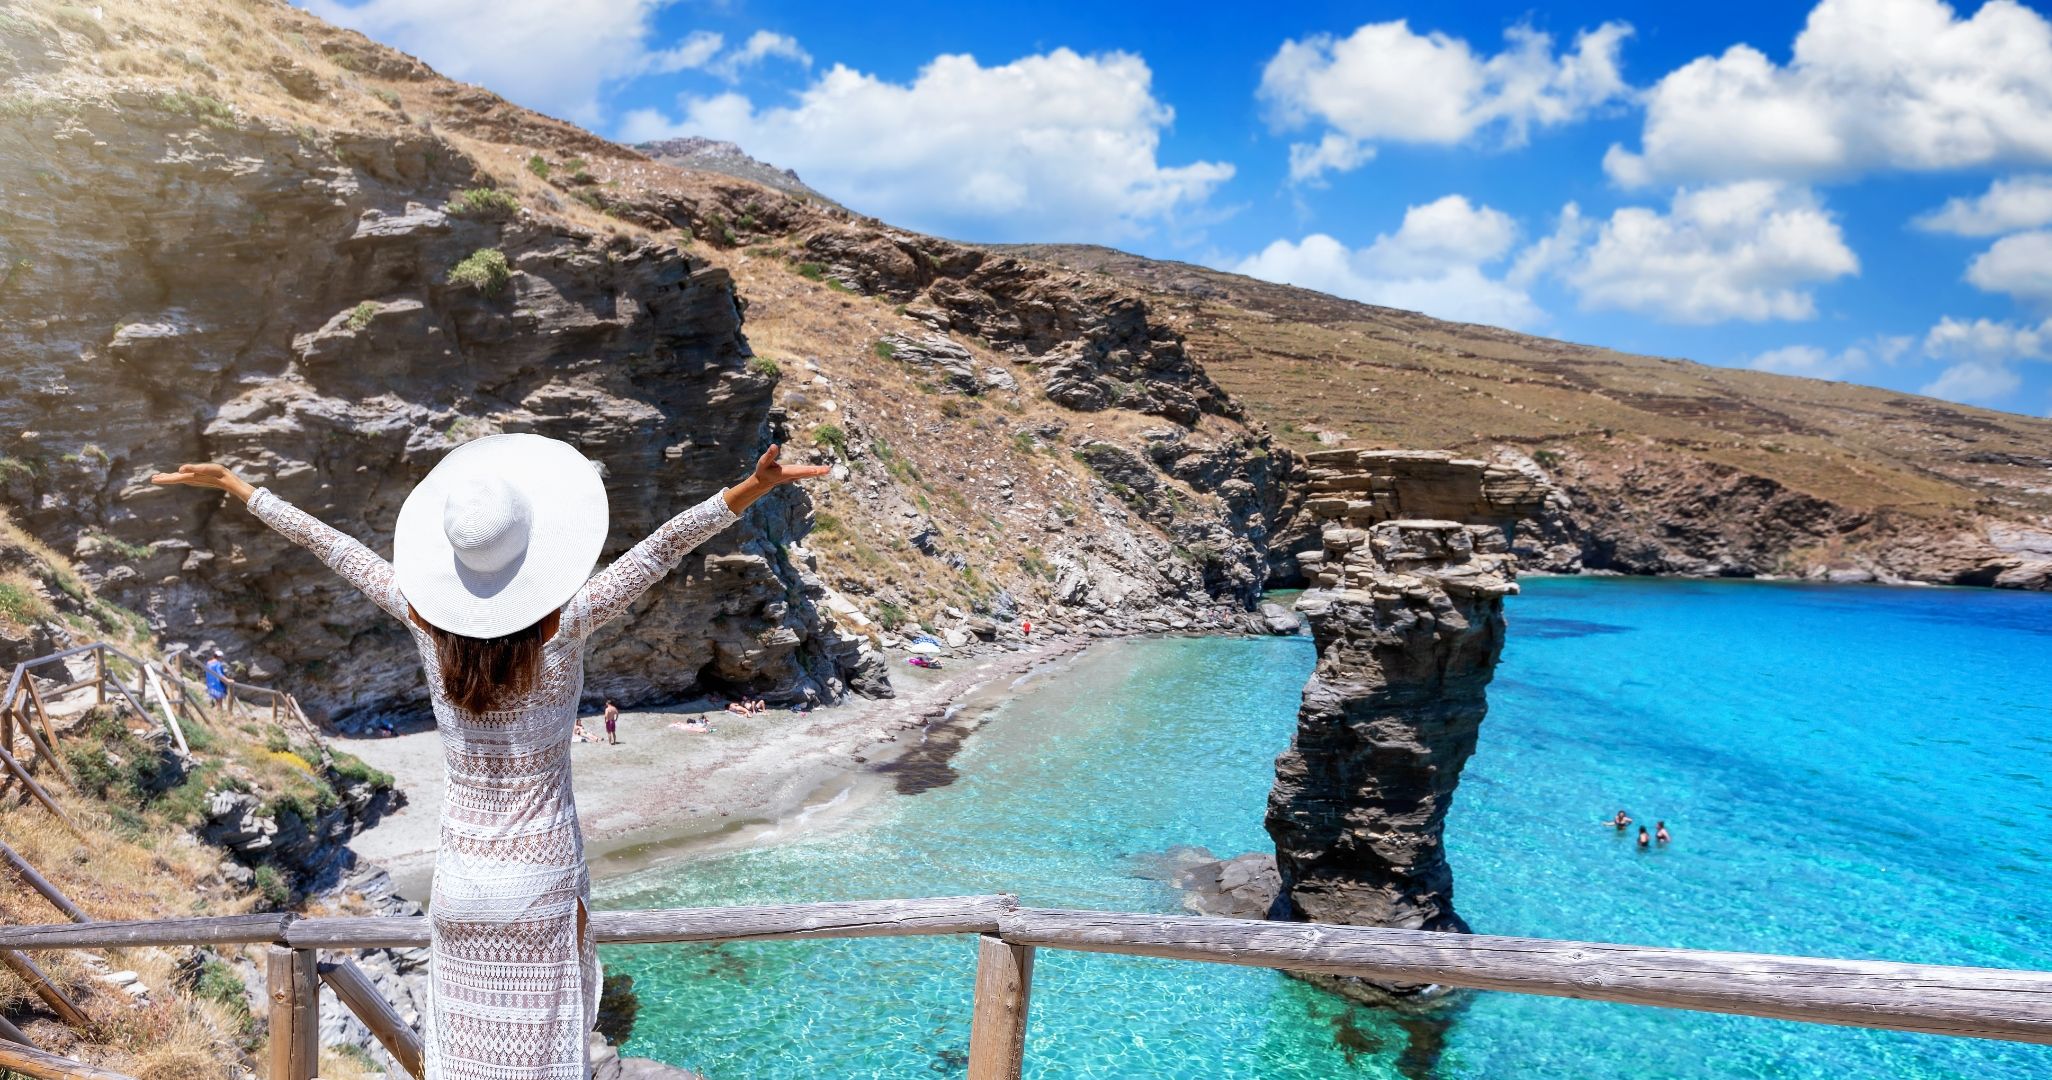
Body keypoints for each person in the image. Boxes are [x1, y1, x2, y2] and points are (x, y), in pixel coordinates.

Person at [152, 436, 828, 1078]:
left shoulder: (427, 627)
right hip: (542, 872)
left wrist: (241, 487)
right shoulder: (564, 630)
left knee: (468, 1051)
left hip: (462, 880)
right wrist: (749, 489)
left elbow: (336, 549)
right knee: (551, 1046)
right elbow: (662, 548)